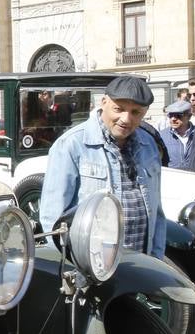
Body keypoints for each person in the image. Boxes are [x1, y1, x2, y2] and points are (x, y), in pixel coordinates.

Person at [39, 75, 165, 258]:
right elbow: (53, 219)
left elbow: (157, 213)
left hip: (141, 266)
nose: (126, 119)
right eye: (119, 109)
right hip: (90, 268)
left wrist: (156, 262)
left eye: (135, 112)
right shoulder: (72, 144)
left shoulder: (149, 145)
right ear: (104, 102)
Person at [159, 99, 195, 171]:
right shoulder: (162, 136)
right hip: (171, 178)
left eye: (178, 115)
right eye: (170, 115)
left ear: (189, 116)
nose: (173, 119)